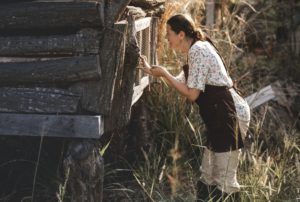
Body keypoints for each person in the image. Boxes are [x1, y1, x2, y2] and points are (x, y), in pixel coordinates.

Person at [140, 14, 251, 201]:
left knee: (224, 178)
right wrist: (153, 72)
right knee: (208, 173)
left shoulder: (198, 50)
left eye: (169, 33)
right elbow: (181, 82)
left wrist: (164, 74)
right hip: (219, 115)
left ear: (181, 34)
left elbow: (191, 94)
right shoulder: (196, 50)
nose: (167, 38)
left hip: (230, 114)